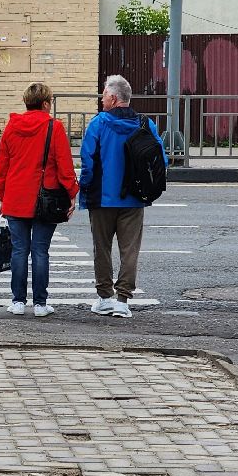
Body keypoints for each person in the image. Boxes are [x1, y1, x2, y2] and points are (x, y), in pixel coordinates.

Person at [78, 74, 168, 318]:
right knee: (130, 251)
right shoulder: (145, 123)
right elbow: (162, 158)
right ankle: (122, 302)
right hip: (134, 198)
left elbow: (87, 160)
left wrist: (83, 188)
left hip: (102, 198)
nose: (102, 99)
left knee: (102, 248)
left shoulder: (98, 123)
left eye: (105, 95)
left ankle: (104, 298)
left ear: (114, 98)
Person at [0, 82, 78, 318]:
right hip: (46, 200)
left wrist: (3, 195)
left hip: (16, 198)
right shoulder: (54, 127)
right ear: (45, 103)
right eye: (50, 102)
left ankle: (18, 301)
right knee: (41, 251)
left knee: (19, 251)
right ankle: (40, 304)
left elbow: (2, 168)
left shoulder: (11, 128)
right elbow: (64, 166)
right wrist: (72, 193)